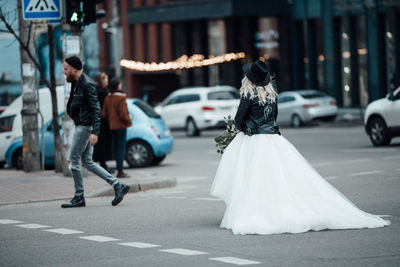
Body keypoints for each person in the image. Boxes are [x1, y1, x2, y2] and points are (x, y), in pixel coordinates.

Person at [211, 60, 390, 235]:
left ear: (248, 79)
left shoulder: (247, 96)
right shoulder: (272, 95)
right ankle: (285, 208)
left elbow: (238, 120)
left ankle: (260, 211)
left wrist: (244, 130)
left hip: (254, 140)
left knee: (252, 179)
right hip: (273, 139)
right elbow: (274, 117)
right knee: (281, 179)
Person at [62, 56, 129, 208]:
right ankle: (117, 185)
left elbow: (96, 109)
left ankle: (79, 197)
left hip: (85, 127)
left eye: (66, 69)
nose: (64, 72)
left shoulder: (87, 84)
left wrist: (95, 132)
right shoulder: (76, 83)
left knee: (73, 160)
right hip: (82, 125)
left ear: (73, 68)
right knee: (88, 162)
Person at [102, 77, 132, 178]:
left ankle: (119, 169)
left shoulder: (108, 98)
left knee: (116, 148)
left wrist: (111, 119)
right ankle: (120, 171)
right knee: (121, 149)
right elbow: (123, 114)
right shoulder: (121, 97)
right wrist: (129, 121)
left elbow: (104, 114)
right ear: (118, 85)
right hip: (121, 126)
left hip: (112, 126)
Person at [93, 72, 113, 173]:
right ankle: (103, 164)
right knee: (102, 143)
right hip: (103, 121)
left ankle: (102, 164)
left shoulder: (96, 91)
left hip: (99, 121)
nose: (107, 81)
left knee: (101, 144)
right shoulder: (102, 92)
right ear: (100, 80)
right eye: (105, 79)